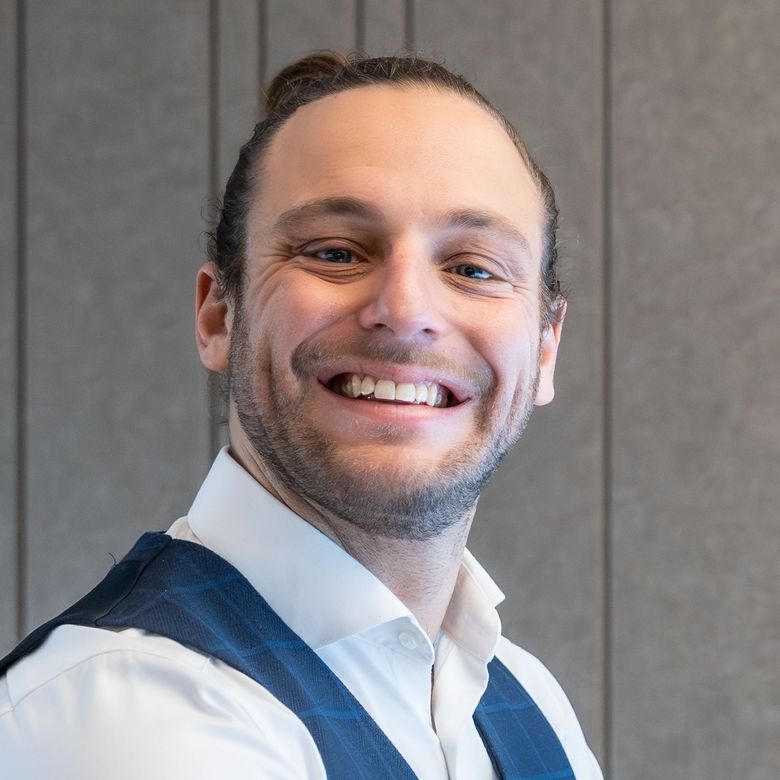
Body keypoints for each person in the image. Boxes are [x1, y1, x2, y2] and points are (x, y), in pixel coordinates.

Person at [0, 52, 603, 779]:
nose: (406, 309)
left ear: (545, 348)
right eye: (336, 253)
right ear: (218, 316)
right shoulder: (128, 710)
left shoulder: (529, 700)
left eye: (473, 268)